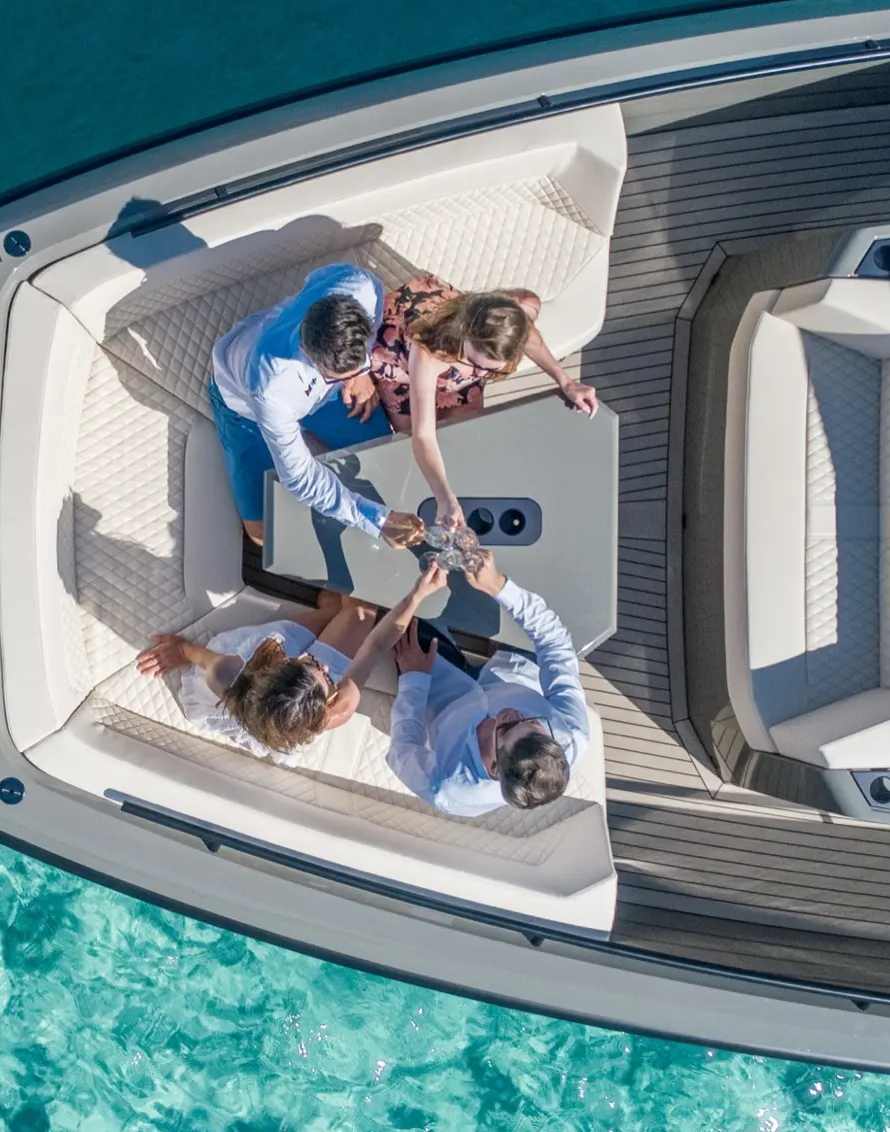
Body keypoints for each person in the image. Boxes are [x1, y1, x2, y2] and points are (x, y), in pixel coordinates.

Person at [346, 277, 598, 528]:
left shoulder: (510, 325)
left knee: (465, 434)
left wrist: (566, 382)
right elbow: (423, 436)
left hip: (455, 367)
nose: (479, 372)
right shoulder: (428, 351)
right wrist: (443, 496)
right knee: (408, 438)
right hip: (402, 361)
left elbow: (532, 340)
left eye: (491, 369)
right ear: (464, 331)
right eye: (476, 363)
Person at [210, 263, 425, 550]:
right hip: (245, 409)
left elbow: (316, 279)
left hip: (326, 392)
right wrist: (376, 521)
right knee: (262, 531)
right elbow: (300, 477)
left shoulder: (359, 285)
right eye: (338, 375)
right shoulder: (270, 385)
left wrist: (360, 375)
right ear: (306, 352)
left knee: (388, 459)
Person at [138, 564, 450, 761]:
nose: (324, 667)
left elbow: (195, 656)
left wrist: (181, 650)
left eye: (309, 663)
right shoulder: (338, 706)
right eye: (325, 676)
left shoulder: (227, 672)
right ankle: (329, 608)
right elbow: (376, 644)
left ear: (274, 666)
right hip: (289, 715)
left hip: (258, 689)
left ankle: (328, 610)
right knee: (362, 614)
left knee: (342, 613)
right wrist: (417, 596)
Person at [385, 550, 587, 814]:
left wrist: (413, 681)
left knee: (395, 601)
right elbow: (555, 643)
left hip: (445, 697)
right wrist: (498, 585)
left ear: (494, 768)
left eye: (507, 726)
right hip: (516, 672)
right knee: (530, 575)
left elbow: (402, 751)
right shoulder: (571, 733)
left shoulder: (448, 788)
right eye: (532, 721)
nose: (512, 713)